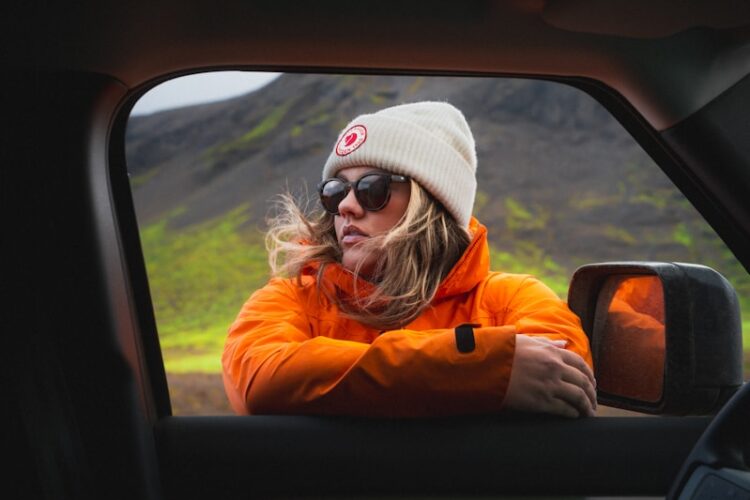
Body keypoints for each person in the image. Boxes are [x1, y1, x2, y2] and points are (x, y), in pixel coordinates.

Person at [222, 101, 596, 418]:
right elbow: (260, 377)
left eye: (373, 188)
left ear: (430, 205)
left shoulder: (512, 297)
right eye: (335, 192)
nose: (347, 207)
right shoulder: (292, 297)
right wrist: (477, 368)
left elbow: (566, 379)